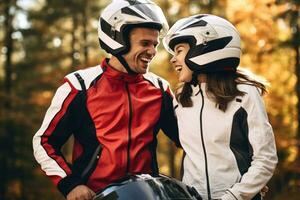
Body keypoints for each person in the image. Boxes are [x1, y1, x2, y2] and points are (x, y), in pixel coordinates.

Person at [32, 0, 180, 199]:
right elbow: (44, 142)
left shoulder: (159, 89)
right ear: (117, 39)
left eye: (154, 44)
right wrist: (70, 184)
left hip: (148, 194)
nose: (153, 51)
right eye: (145, 43)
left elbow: (188, 139)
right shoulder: (79, 86)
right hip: (96, 195)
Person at [163, 14, 278, 200]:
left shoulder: (245, 94)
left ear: (205, 46)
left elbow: (265, 159)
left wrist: (235, 196)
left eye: (179, 50)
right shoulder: (181, 98)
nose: (173, 59)